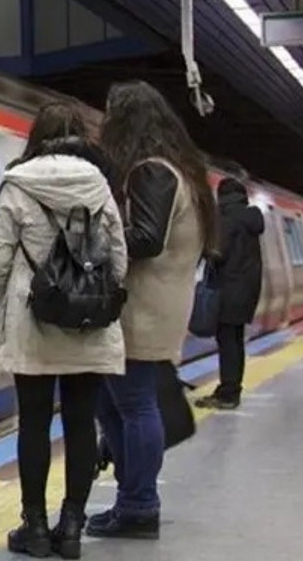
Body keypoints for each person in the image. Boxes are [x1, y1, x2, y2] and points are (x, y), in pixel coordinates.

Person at [0, 101, 127, 559]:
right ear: (81, 137)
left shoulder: (18, 185)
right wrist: (89, 296)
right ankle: (72, 528)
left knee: (34, 424)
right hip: (88, 326)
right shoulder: (99, 186)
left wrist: (18, 298)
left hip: (33, 324)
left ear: (36, 137)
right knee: (81, 423)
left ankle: (36, 529)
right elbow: (120, 262)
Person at [90, 81, 218, 540]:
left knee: (133, 405)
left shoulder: (152, 172)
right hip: (156, 304)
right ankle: (132, 499)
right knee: (114, 404)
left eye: (110, 115)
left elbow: (146, 239)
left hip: (142, 308)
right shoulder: (182, 171)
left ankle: (140, 505)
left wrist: (94, 242)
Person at [195, 177, 264, 410]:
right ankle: (232, 388)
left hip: (228, 289)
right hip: (246, 290)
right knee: (235, 341)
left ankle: (228, 394)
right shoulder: (250, 218)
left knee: (227, 343)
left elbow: (218, 252)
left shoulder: (228, 217)